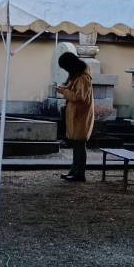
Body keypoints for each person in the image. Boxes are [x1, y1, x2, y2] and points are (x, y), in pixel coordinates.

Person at [55, 51, 94, 182]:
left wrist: (64, 91)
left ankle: (79, 174)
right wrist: (64, 89)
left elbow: (79, 97)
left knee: (79, 145)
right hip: (77, 115)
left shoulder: (82, 77)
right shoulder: (78, 75)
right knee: (77, 145)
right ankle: (74, 171)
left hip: (80, 116)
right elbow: (75, 92)